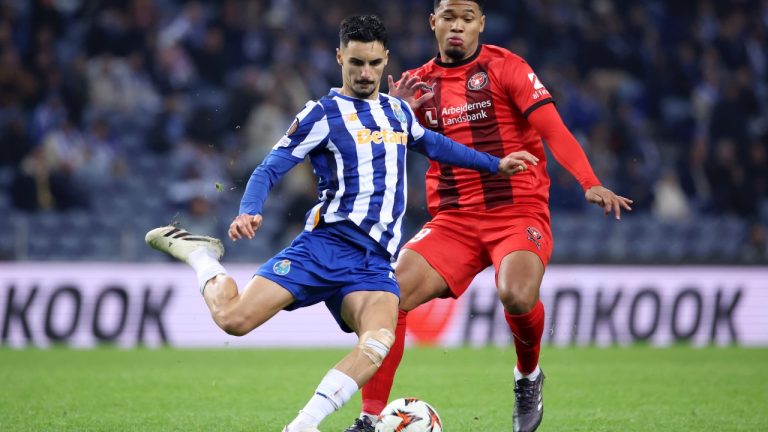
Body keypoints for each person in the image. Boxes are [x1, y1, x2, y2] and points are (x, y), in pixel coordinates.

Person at [145, 14, 535, 432]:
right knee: (234, 320)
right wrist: (249, 209)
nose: (365, 73)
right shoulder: (322, 114)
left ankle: (302, 426)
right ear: (339, 59)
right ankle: (202, 256)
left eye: (372, 63)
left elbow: (438, 146)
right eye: (355, 64)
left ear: (385, 59)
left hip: (373, 264)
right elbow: (269, 168)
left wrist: (496, 164)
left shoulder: (399, 114)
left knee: (378, 341)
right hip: (324, 246)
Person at [347, 2, 634, 432]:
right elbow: (373, 146)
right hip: (454, 219)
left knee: (516, 294)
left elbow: (554, 128)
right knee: (389, 296)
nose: (457, 25)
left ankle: (528, 375)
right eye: (448, 16)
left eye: (467, 17)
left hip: (517, 209)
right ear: (434, 23)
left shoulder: (508, 68)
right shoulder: (418, 85)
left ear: (481, 23)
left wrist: (588, 180)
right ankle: (370, 419)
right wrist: (393, 110)